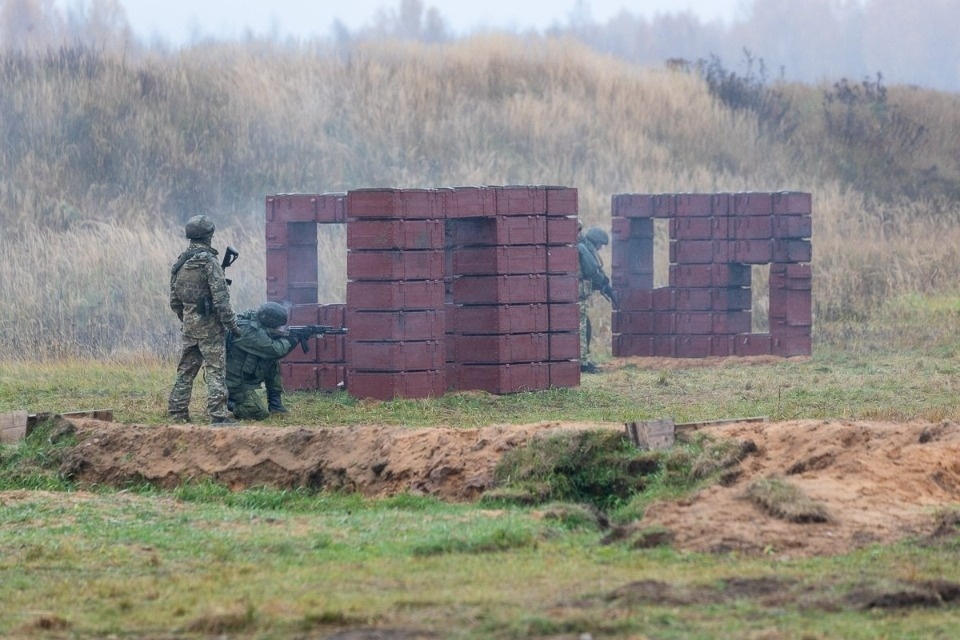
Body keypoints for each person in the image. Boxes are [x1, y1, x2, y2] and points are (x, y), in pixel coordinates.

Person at [168, 215, 241, 424]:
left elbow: (174, 300)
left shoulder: (180, 262)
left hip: (190, 326)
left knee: (185, 371)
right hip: (210, 328)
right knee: (216, 370)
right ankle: (218, 416)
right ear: (209, 236)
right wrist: (232, 326)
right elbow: (221, 300)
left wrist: (188, 318)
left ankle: (177, 413)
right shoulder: (209, 262)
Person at [226, 302, 300, 420]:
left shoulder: (257, 325)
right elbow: (274, 350)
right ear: (270, 321)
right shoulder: (249, 331)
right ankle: (228, 403)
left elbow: (272, 354)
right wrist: (290, 341)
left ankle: (275, 405)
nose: (278, 328)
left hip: (244, 377)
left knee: (272, 362)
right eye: (277, 325)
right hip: (234, 383)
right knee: (259, 413)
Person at [577, 225, 614, 374]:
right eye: (601, 245)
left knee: (586, 326)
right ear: (597, 242)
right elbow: (592, 271)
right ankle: (582, 363)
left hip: (578, 294)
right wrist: (603, 283)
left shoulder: (583, 247)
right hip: (578, 295)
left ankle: (583, 360)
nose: (600, 249)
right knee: (582, 327)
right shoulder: (583, 248)